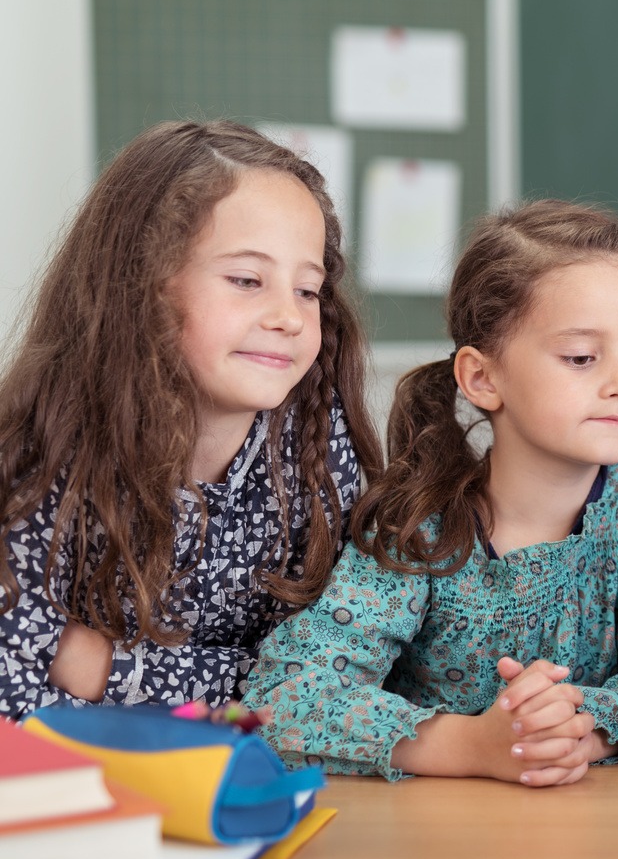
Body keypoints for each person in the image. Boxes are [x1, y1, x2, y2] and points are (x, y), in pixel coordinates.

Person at [246, 201, 618, 786]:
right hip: (433, 841)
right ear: (482, 378)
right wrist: (477, 745)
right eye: (581, 357)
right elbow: (285, 697)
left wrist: (571, 729)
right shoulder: (421, 525)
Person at [0, 120, 377, 719]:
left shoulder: (318, 446)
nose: (288, 316)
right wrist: (234, 684)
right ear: (141, 286)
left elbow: (330, 681)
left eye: (309, 290)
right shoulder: (42, 445)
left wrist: (103, 666)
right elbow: (9, 685)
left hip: (255, 787)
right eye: (247, 280)